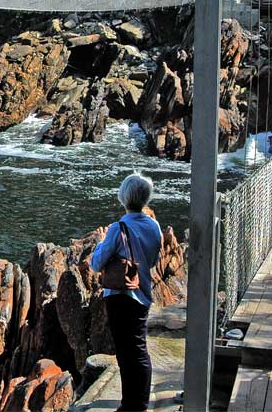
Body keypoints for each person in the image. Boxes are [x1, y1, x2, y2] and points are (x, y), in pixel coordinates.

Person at [90, 174, 164, 412]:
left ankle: (132, 405)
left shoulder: (118, 228)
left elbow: (96, 263)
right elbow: (152, 260)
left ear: (123, 197)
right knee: (139, 349)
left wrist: (101, 242)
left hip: (121, 297)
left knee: (126, 353)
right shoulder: (154, 226)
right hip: (142, 294)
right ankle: (137, 402)